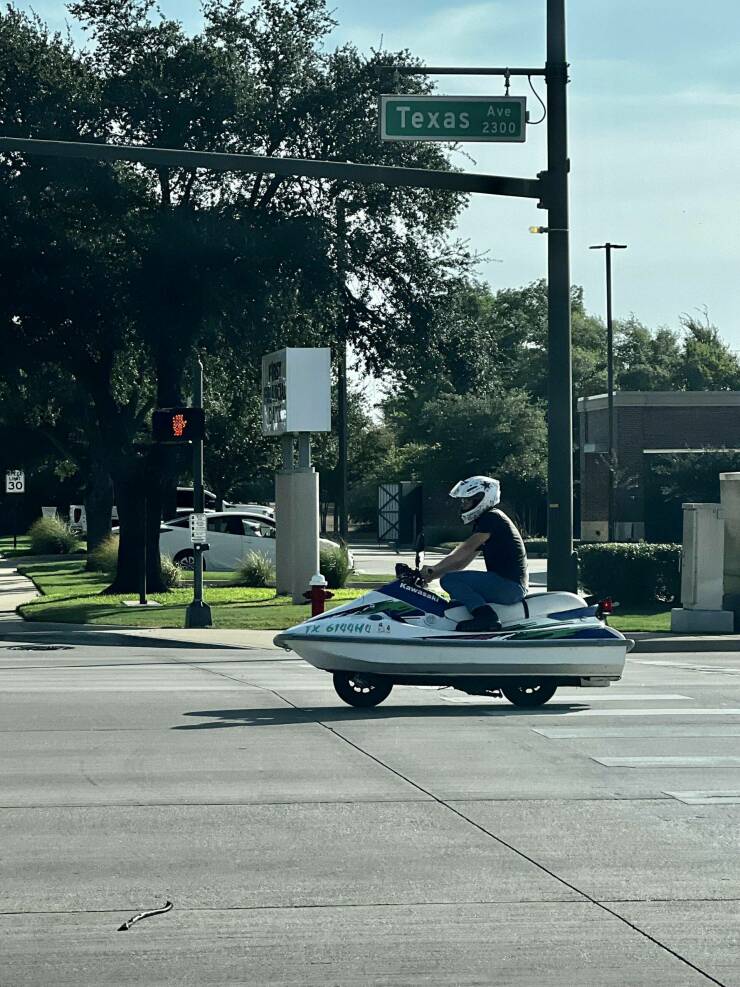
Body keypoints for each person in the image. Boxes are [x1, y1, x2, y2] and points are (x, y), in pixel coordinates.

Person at [420, 475, 528, 631]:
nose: (463, 505)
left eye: (467, 501)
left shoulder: (492, 518)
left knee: (449, 580)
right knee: (453, 583)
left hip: (509, 586)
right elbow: (461, 562)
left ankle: (487, 618)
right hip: (509, 585)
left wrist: (434, 568)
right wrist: (431, 575)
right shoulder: (488, 520)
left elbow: (464, 549)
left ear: (481, 499)